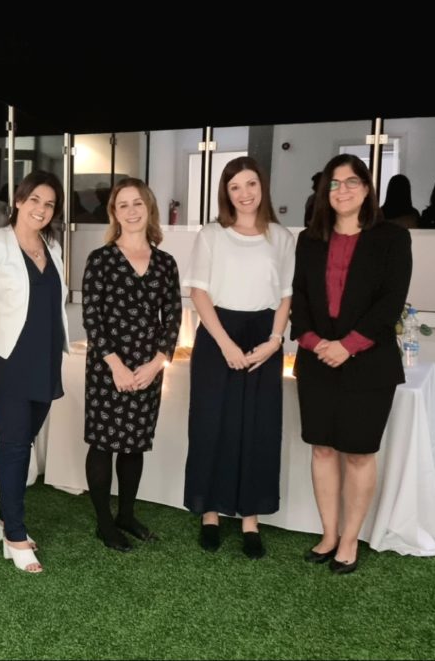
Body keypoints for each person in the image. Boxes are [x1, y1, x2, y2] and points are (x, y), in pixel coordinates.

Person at [291, 154, 412, 575]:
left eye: (351, 182)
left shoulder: (392, 238)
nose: (342, 190)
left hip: (369, 364)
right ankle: (328, 534)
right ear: (324, 192)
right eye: (334, 184)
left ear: (366, 187)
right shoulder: (309, 240)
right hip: (317, 360)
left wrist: (348, 346)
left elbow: (390, 303)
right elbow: (299, 298)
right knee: (323, 448)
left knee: (358, 454)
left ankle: (349, 540)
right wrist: (316, 343)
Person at [183, 156, 295, 559]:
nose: (244, 193)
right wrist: (226, 344)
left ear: (262, 187)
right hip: (218, 334)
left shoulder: (281, 237)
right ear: (225, 194)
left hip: (264, 337)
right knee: (211, 423)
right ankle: (210, 512)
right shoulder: (212, 234)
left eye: (250, 184)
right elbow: (198, 292)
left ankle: (251, 518)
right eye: (235, 187)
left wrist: (274, 341)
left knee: (258, 427)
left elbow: (286, 295)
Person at [0, 170, 70, 573]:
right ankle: (15, 535)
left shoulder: (53, 247)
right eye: (35, 200)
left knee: (23, 443)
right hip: (6, 362)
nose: (41, 209)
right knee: (13, 445)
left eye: (49, 204)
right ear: (18, 200)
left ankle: (4, 517)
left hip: (45, 361)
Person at [82, 177, 182, 552]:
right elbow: (92, 318)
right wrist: (116, 366)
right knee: (103, 444)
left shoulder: (165, 263)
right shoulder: (101, 259)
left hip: (148, 368)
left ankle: (126, 514)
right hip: (108, 367)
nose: (131, 210)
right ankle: (105, 524)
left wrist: (157, 363)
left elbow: (173, 316)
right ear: (114, 212)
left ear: (149, 207)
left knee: (134, 444)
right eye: (122, 204)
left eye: (137, 203)